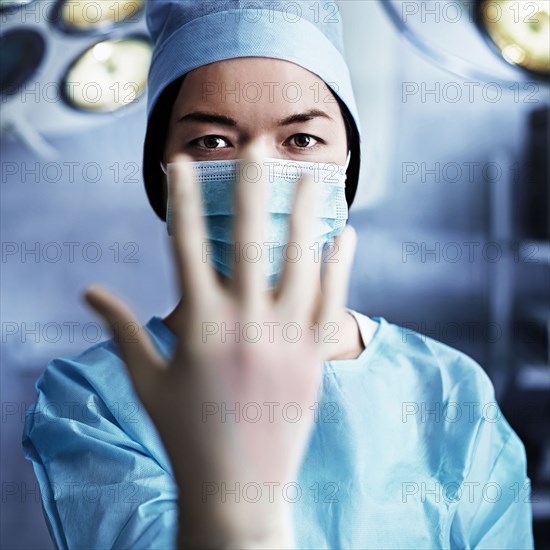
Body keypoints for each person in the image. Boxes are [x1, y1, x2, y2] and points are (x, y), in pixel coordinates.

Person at [23, 1, 534, 548]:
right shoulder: (93, 400)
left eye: (301, 140)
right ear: (161, 172)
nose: (255, 176)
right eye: (212, 141)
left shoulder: (447, 388)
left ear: (348, 163)